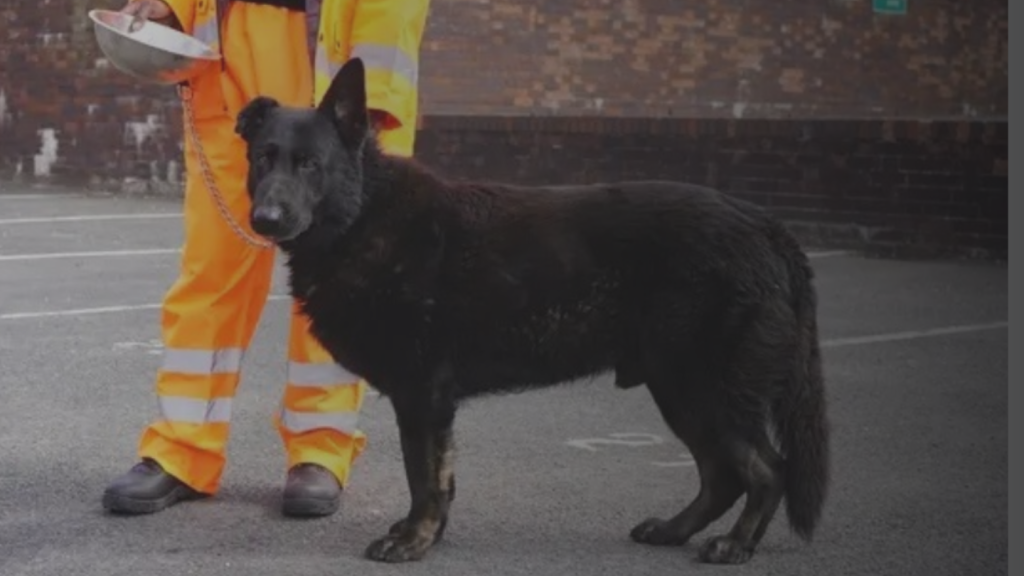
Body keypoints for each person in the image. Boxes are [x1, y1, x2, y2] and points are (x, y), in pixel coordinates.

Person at [101, 0, 430, 517]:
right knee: (210, 273)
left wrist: (373, 102)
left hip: (335, 56)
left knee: (340, 283)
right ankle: (182, 449)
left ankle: (320, 450)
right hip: (237, 64)